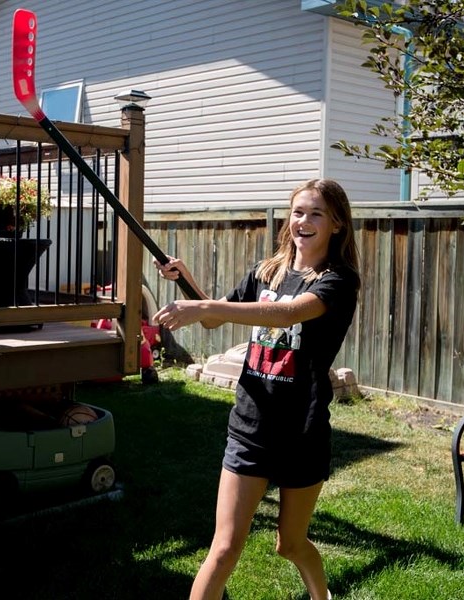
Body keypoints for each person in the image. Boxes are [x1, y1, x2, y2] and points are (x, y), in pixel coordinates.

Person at [153, 178, 360, 600]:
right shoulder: (267, 272)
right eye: (298, 211)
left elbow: (286, 315)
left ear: (337, 224)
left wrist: (206, 306)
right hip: (251, 426)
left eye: (316, 213)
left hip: (302, 431)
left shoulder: (338, 281)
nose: (303, 221)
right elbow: (212, 320)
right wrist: (187, 282)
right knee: (225, 548)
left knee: (291, 544)